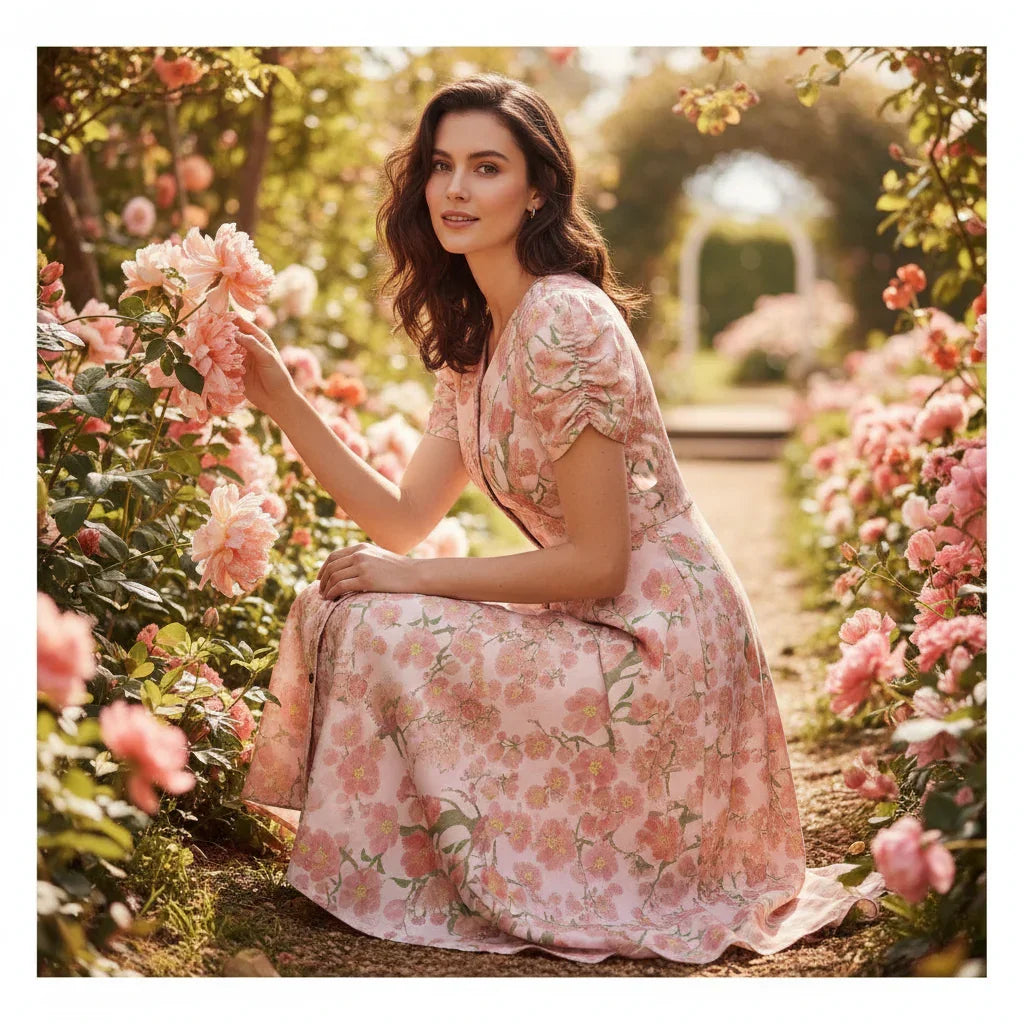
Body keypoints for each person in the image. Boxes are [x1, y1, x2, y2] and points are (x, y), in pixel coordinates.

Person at [232, 72, 885, 965]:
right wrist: (282, 398)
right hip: (599, 627)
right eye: (440, 165)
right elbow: (400, 521)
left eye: (486, 167)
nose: (456, 189)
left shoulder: (564, 321)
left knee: (387, 621)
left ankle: (409, 877)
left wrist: (411, 581)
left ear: (536, 189)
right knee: (346, 605)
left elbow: (597, 565)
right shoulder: (479, 335)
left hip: (662, 652)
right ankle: (381, 872)